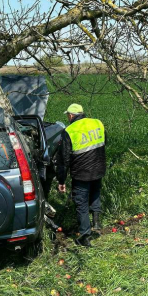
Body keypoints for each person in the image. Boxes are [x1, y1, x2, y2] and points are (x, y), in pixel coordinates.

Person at [56, 104, 106, 247]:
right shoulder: (97, 123)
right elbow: (103, 143)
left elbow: (64, 159)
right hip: (98, 169)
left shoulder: (69, 131)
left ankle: (85, 236)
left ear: (71, 115)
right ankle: (96, 221)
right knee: (95, 193)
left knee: (81, 203)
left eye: (68, 115)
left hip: (81, 173)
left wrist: (61, 180)